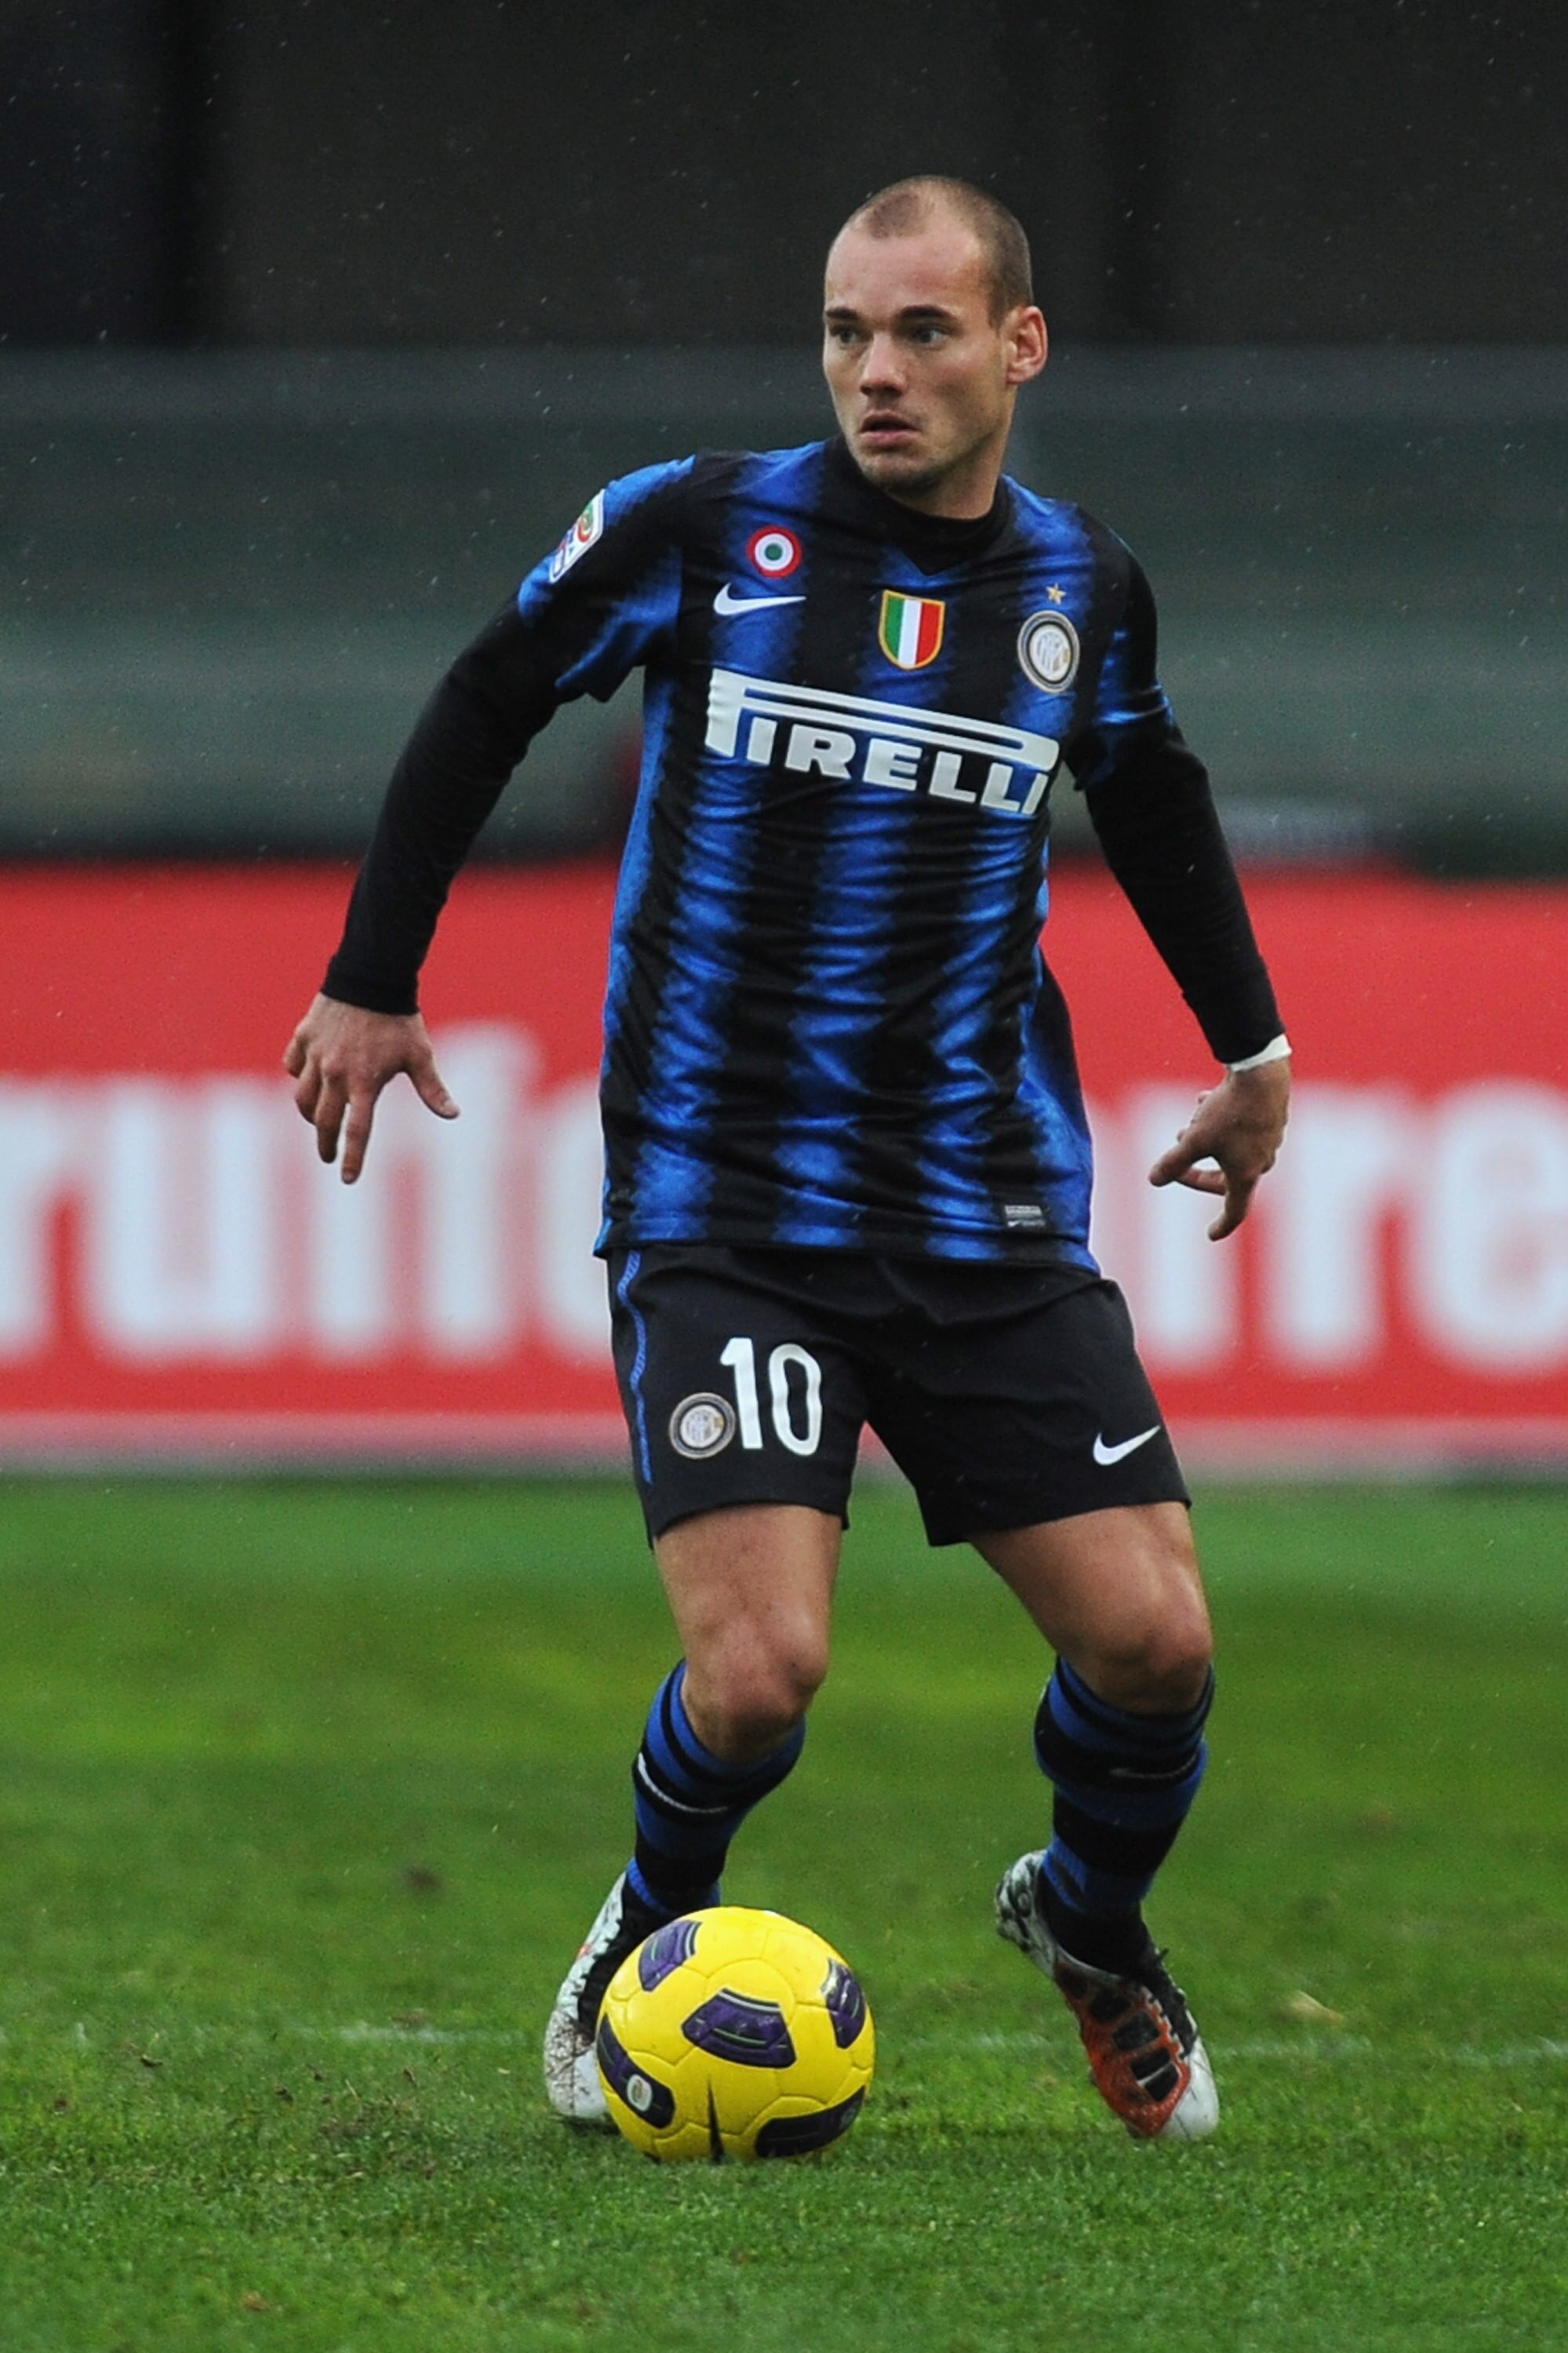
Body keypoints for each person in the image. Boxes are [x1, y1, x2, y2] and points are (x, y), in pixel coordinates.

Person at [285, 176, 1290, 2144]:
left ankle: (1086, 1921)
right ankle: (645, 1933)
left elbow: (1152, 791)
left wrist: (1250, 1053)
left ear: (1019, 346)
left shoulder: (1079, 586)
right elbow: (490, 693)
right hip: (724, 1199)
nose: (874, 371)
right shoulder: (699, 530)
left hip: (981, 1204)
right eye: (844, 332)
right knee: (759, 1679)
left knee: (1158, 1645)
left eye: (921, 331)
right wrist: (370, 978)